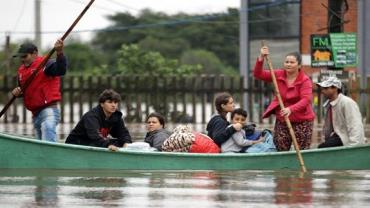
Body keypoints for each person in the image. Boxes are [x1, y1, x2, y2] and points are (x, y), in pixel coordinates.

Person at [253, 46, 315, 151]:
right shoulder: (278, 74)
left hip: (302, 120)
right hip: (283, 118)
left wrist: (290, 109)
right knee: (280, 146)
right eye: (286, 62)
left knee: (302, 149)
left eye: (292, 62)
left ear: (299, 65)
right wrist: (261, 58)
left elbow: (306, 100)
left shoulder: (305, 80)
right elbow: (258, 74)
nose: (288, 64)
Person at [11, 39, 67, 142]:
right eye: (21, 57)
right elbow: (23, 91)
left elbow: (61, 70)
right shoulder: (21, 71)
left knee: (47, 129)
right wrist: (17, 92)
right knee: (39, 145)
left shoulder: (46, 64)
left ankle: (51, 155)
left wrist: (59, 52)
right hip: (35, 115)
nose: (22, 60)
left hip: (49, 110)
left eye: (25, 56)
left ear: (35, 54)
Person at [65, 89, 132, 151]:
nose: (113, 105)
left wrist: (126, 143)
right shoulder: (91, 116)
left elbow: (123, 133)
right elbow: (94, 136)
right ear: (102, 104)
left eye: (115, 102)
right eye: (110, 102)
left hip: (94, 142)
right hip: (77, 143)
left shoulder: (116, 116)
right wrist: (108, 145)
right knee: (101, 144)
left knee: (120, 142)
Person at [316, 76, 366, 148]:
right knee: (322, 147)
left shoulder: (346, 103)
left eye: (326, 88)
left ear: (335, 88)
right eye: (322, 88)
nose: (322, 91)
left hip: (346, 139)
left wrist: (355, 147)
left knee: (322, 147)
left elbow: (355, 125)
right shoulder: (329, 104)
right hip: (338, 136)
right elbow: (328, 128)